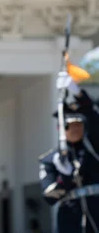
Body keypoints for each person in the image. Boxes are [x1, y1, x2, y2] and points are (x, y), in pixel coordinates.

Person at [39, 71, 99, 233]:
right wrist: (64, 177)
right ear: (61, 128)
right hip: (70, 218)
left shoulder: (93, 149)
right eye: (71, 125)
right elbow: (50, 197)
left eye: (79, 124)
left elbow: (93, 117)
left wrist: (77, 93)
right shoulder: (51, 160)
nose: (76, 129)